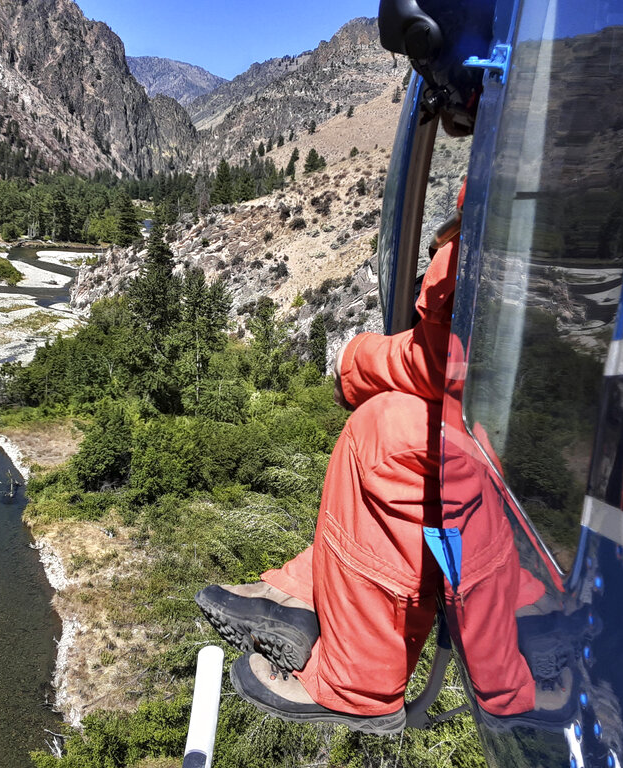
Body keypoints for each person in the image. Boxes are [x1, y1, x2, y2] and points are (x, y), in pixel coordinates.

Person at [196, 0, 577, 733]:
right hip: (554, 435)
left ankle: (362, 680)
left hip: (527, 447)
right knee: (406, 428)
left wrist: (357, 360)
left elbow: (451, 364)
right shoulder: (540, 174)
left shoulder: (508, 200)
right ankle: (311, 593)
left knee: (391, 433)